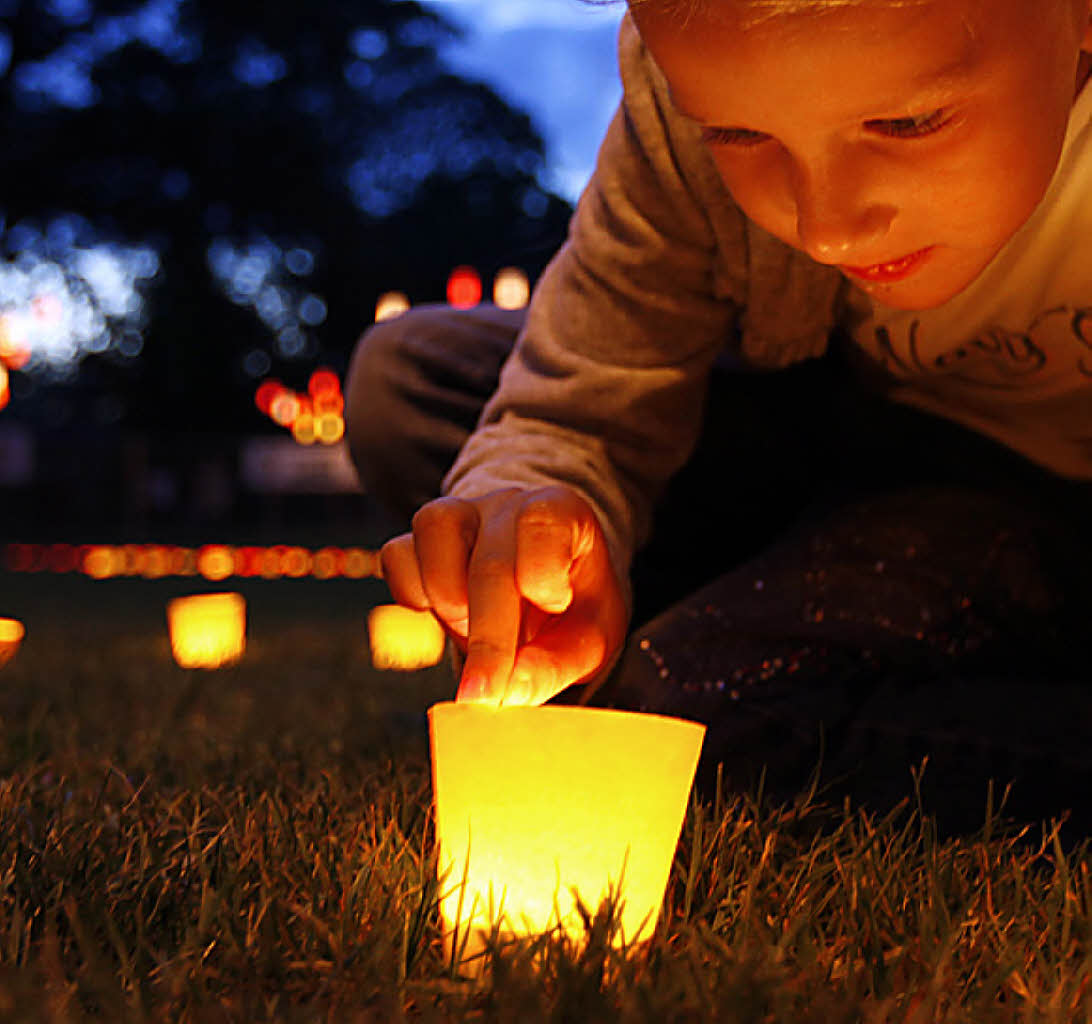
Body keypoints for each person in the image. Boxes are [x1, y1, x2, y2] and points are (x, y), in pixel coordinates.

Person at [346, 0, 1092, 836]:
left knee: (696, 703)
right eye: (739, 135)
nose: (827, 225)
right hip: (837, 441)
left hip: (1017, 505)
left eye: (908, 121)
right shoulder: (678, 111)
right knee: (409, 379)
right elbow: (589, 375)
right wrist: (536, 500)